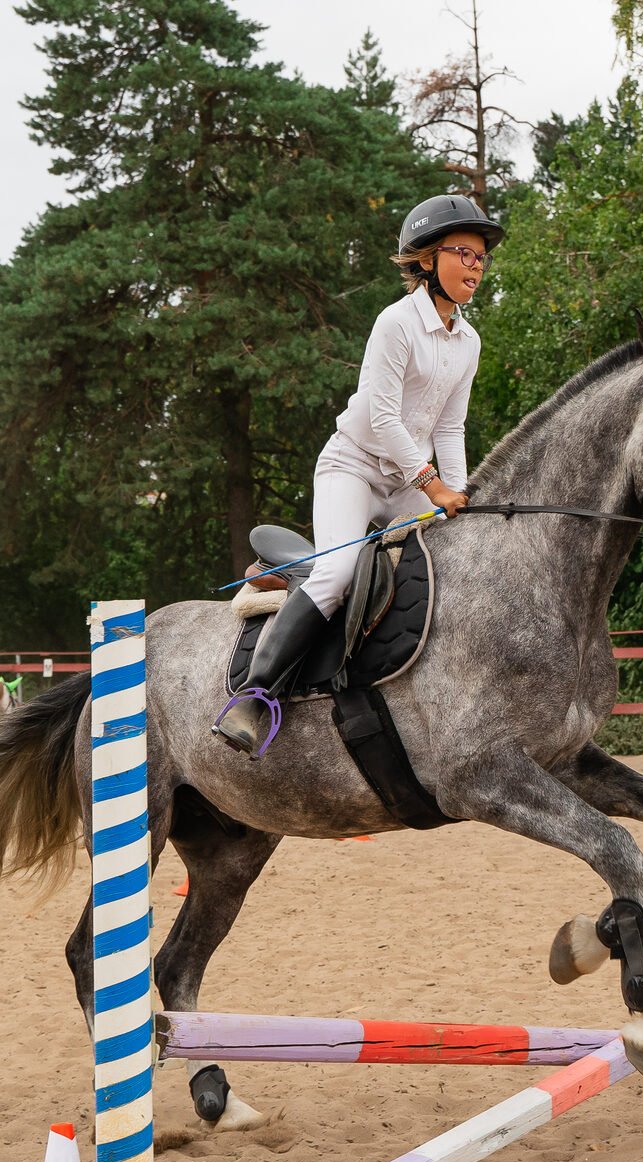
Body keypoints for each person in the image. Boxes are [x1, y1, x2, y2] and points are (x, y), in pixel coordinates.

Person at [213, 193, 502, 756]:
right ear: (425, 260)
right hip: (354, 468)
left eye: (481, 256)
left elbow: (452, 426)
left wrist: (459, 491)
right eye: (463, 253)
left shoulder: (469, 341)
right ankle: (254, 695)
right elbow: (383, 417)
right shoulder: (395, 323)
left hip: (407, 483)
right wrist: (433, 484)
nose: (475, 264)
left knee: (454, 559)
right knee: (338, 570)